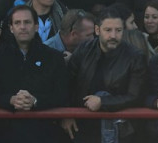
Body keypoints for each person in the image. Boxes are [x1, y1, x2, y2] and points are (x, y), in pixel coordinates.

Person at [62, 8, 147, 142]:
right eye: (108, 30)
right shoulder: (83, 51)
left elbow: (136, 96)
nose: (113, 35)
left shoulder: (135, 57)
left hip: (121, 130)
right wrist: (66, 115)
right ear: (97, 30)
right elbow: (66, 85)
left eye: (118, 30)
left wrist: (102, 102)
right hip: (83, 126)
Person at [0, 5, 68, 143]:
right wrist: (10, 100)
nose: (22, 27)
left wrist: (36, 101)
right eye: (17, 23)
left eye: (27, 22)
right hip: (6, 134)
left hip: (45, 133)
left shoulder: (54, 58)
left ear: (36, 26)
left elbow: (62, 94)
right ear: (11, 28)